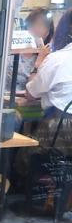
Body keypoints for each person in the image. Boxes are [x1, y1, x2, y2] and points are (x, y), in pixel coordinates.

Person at [25, 8, 72, 148]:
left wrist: (37, 64)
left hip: (59, 130)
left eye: (42, 25)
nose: (37, 29)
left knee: (27, 155)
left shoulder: (57, 59)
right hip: (61, 127)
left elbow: (30, 94)